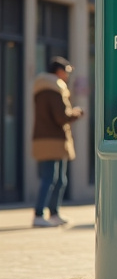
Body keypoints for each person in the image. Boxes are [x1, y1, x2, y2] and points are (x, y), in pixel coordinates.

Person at [32, 56, 84, 228]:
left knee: (58, 179)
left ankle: (53, 213)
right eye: (67, 72)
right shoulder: (54, 88)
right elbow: (61, 116)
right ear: (59, 71)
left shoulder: (42, 87)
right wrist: (76, 112)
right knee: (51, 178)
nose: (67, 76)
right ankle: (40, 214)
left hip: (46, 138)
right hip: (53, 139)